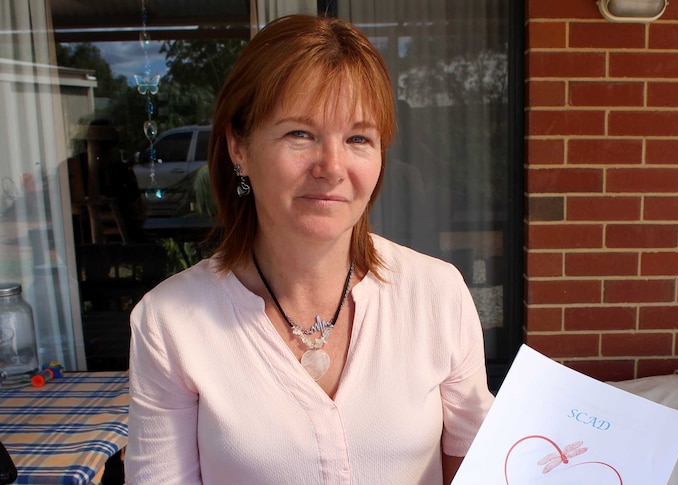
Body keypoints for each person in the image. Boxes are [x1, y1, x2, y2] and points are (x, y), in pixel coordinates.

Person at [126, 14, 494, 484]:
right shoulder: (170, 323)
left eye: (359, 138)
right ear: (239, 145)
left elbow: (476, 463)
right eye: (300, 133)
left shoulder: (437, 294)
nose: (332, 167)